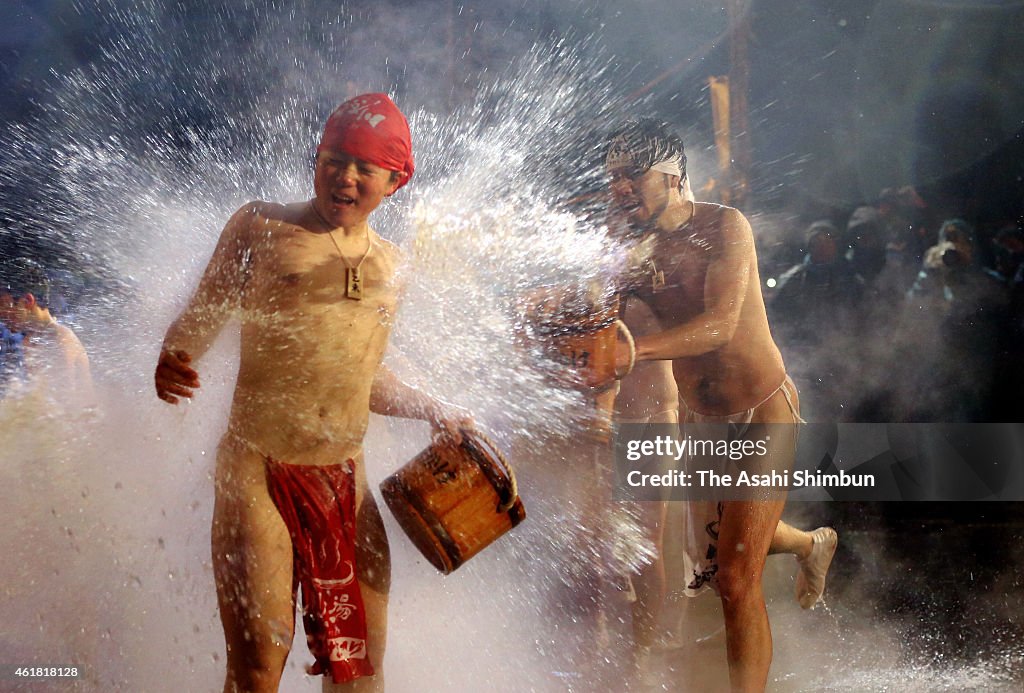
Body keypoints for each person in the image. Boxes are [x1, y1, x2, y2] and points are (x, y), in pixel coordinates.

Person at [154, 93, 470, 693]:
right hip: (257, 470)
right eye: (334, 159)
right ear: (317, 156)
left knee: (362, 666)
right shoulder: (261, 225)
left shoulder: (392, 267)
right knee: (258, 665)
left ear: (395, 181)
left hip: (344, 480)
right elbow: (199, 317)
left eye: (364, 168)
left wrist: (436, 409)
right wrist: (173, 359)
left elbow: (365, 377)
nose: (344, 177)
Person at [606, 119, 836, 692]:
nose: (620, 189)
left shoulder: (724, 226)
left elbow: (718, 326)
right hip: (699, 421)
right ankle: (811, 543)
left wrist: (631, 351)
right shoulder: (635, 248)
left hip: (762, 410)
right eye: (612, 178)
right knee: (714, 559)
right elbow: (598, 318)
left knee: (735, 577)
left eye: (631, 175)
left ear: (672, 175)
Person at [1, 259, 93, 405]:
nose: (2, 313)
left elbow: (68, 405)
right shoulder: (32, 339)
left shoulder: (59, 337)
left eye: (3, 304)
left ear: (27, 300)